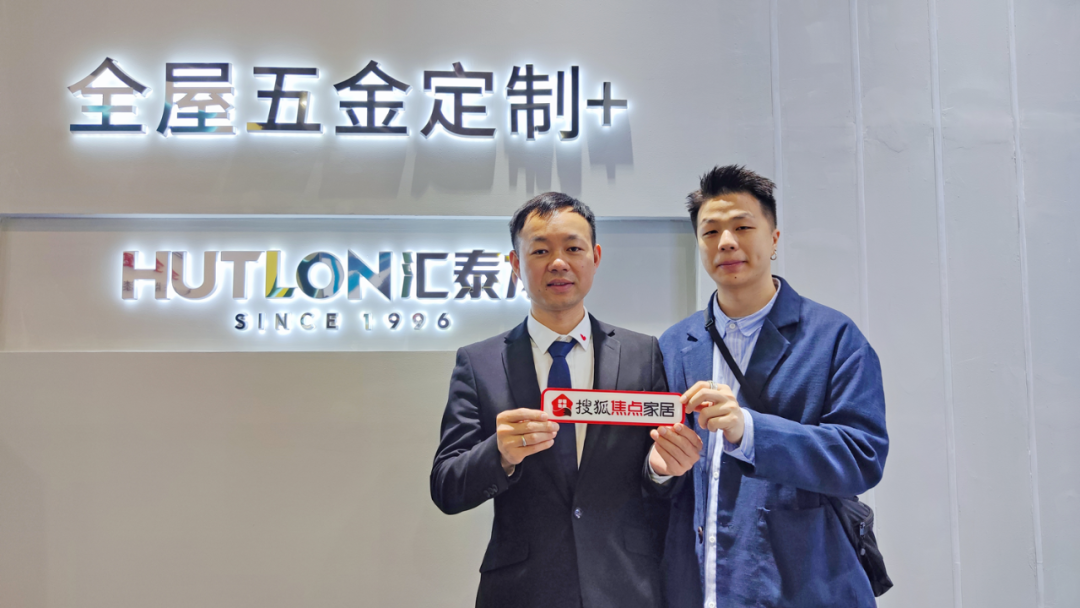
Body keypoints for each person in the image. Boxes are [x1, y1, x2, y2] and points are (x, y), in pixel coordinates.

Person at [431, 192, 703, 608]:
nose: (558, 263)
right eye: (540, 251)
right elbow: (447, 486)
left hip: (624, 586)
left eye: (573, 249)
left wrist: (661, 471)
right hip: (522, 591)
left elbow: (659, 483)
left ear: (595, 257)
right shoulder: (479, 363)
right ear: (515, 264)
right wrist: (500, 454)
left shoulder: (642, 353)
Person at [660, 165, 889, 608]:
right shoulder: (674, 344)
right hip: (700, 586)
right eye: (710, 232)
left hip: (802, 585)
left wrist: (750, 430)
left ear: (775, 239)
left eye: (743, 227)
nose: (726, 242)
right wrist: (658, 469)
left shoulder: (833, 337)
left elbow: (863, 456)